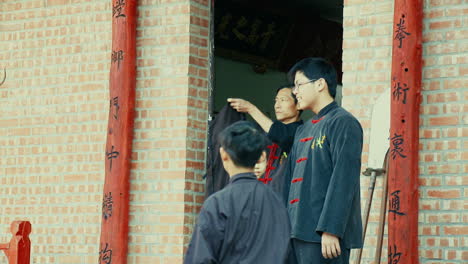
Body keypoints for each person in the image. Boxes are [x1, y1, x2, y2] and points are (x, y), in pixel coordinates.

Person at [286, 57, 363, 264]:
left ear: (320, 84)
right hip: (296, 231)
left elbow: (344, 179)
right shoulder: (304, 129)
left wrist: (332, 229)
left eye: (299, 84)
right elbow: (289, 181)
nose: (295, 91)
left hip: (324, 237)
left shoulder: (343, 122)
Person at [184, 121, 291, 264]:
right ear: (261, 156)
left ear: (224, 154)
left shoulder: (217, 204)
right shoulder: (277, 202)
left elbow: (200, 259)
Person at [227, 85, 303, 196]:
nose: (277, 105)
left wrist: (251, 108)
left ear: (298, 105)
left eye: (283, 100)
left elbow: (281, 134)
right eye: (276, 101)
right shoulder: (265, 133)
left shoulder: (301, 132)